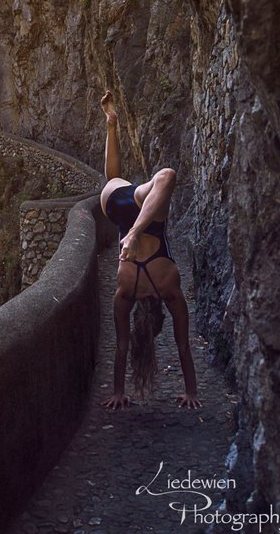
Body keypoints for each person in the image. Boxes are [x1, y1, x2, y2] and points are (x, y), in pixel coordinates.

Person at [99, 90, 201, 410]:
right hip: (115, 206)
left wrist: (193, 392)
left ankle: (112, 125)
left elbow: (183, 346)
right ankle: (111, 125)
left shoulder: (168, 285)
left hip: (140, 215)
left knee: (166, 176)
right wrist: (118, 391)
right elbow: (122, 345)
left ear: (160, 315)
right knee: (115, 179)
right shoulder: (126, 290)